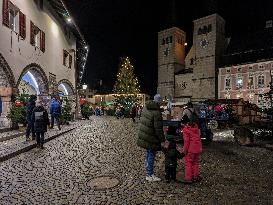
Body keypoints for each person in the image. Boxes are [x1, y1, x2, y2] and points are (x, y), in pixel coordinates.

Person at [137, 94, 166, 182]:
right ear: (159, 102)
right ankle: (149, 174)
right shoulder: (156, 113)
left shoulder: (146, 107)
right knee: (151, 155)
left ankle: (147, 169)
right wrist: (162, 140)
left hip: (145, 135)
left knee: (148, 153)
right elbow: (158, 129)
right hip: (151, 137)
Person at [181, 119, 203, 183]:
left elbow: (186, 142)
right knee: (195, 163)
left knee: (188, 163)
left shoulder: (186, 130)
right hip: (197, 149)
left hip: (190, 150)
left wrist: (184, 151)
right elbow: (199, 139)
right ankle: (195, 176)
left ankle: (188, 178)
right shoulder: (196, 129)